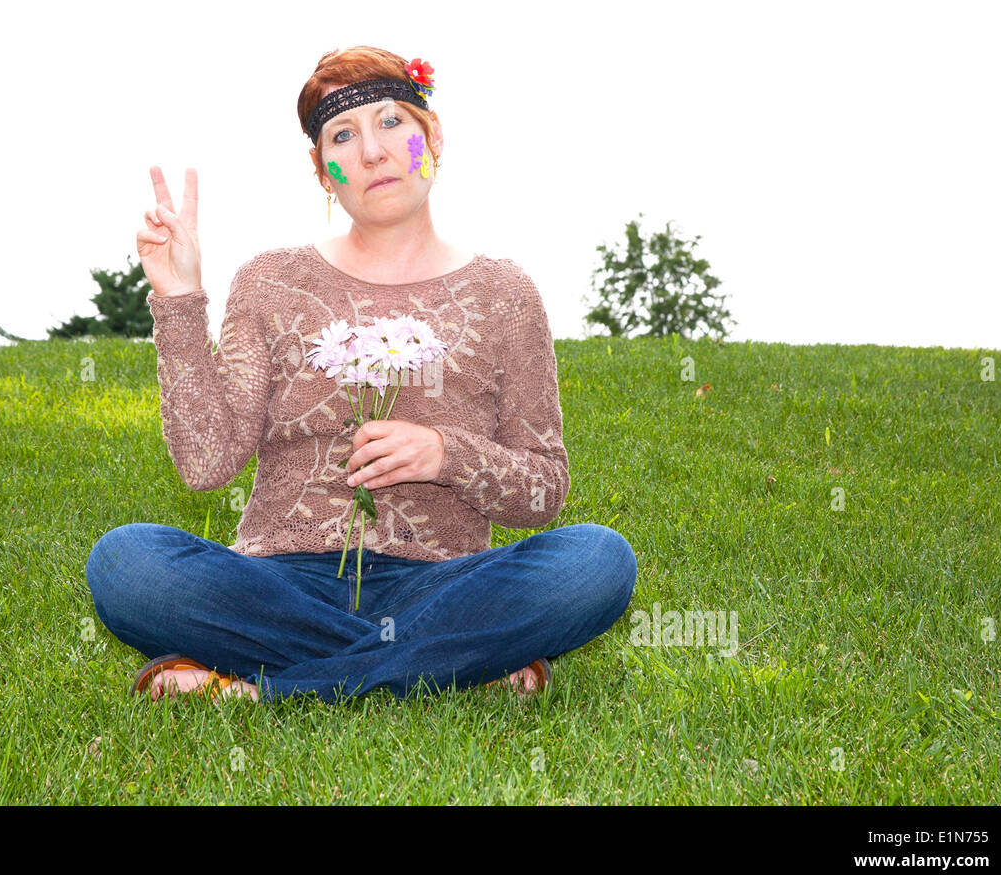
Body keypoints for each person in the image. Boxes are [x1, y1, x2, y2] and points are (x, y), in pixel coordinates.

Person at [86, 45, 637, 703]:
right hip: (279, 585)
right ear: (323, 171)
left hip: (441, 582)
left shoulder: (505, 294)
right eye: (343, 136)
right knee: (126, 563)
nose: (372, 152)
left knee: (598, 561)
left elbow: (544, 492)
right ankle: (456, 666)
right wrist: (178, 301)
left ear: (432, 136)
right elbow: (206, 464)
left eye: (392, 123)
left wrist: (444, 454)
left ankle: (265, 687)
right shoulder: (268, 282)